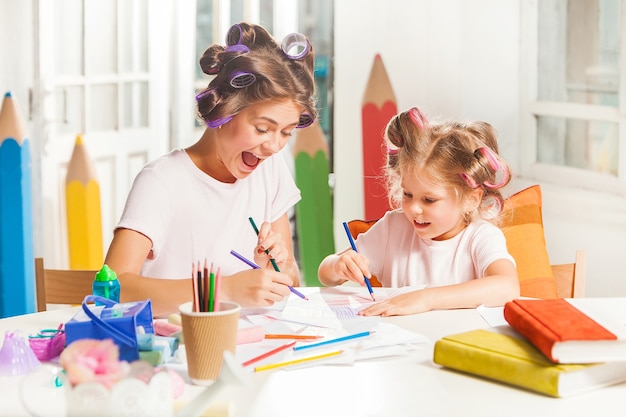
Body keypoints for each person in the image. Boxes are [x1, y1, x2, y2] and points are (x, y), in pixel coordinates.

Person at [104, 22, 318, 317]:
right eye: (263, 128)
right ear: (225, 110)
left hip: (251, 344)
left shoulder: (270, 169)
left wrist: (274, 268)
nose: (274, 146)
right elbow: (114, 288)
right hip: (179, 348)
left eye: (286, 132)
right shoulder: (162, 181)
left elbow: (290, 276)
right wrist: (224, 289)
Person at [318, 107, 520, 316]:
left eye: (429, 200)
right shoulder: (392, 227)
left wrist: (426, 299)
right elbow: (325, 274)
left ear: (471, 199)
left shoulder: (480, 237)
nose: (414, 208)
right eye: (407, 194)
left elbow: (507, 287)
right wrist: (338, 266)